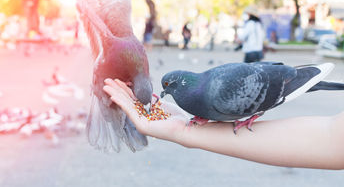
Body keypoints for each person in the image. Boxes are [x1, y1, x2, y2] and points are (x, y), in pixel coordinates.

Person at [103, 78, 344, 170]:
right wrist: (186, 132)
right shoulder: (200, 92)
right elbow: (331, 138)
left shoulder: (219, 91)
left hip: (266, 84)